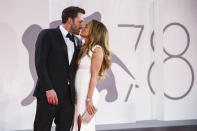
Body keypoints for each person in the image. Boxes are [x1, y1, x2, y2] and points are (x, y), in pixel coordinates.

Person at [33, 6, 85, 131]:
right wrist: (48, 88)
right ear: (70, 20)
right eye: (80, 21)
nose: (82, 25)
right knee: (42, 128)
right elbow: (40, 62)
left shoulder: (78, 41)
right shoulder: (47, 34)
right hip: (49, 94)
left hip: (69, 97)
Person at [72, 20, 112, 131]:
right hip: (80, 94)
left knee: (83, 126)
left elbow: (94, 76)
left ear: (94, 31)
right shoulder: (84, 48)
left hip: (87, 95)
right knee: (76, 125)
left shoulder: (97, 50)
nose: (83, 27)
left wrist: (89, 99)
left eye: (87, 26)